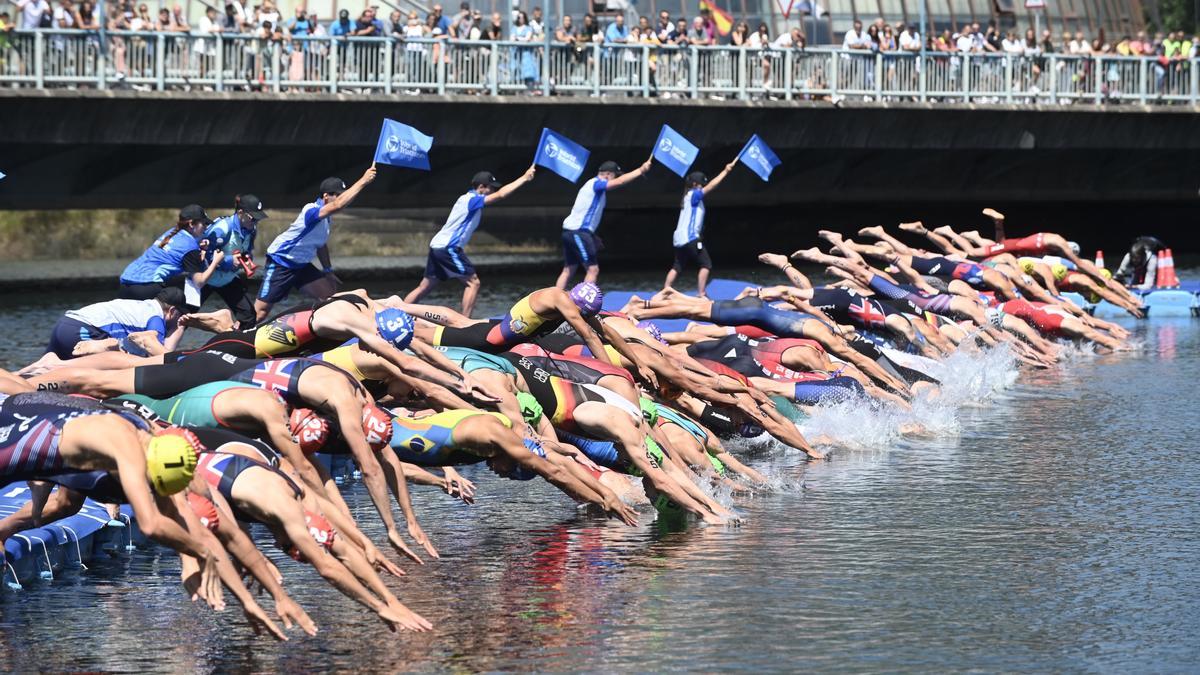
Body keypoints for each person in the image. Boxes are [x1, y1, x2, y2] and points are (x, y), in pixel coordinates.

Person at [403, 167, 536, 317]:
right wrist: (524, 178)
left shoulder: (466, 199)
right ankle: (464, 323)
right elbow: (501, 195)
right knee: (473, 283)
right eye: (491, 188)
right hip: (449, 248)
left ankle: (398, 311)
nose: (492, 191)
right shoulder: (472, 200)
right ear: (481, 187)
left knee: (425, 286)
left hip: (437, 246)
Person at [255, 167, 376, 321]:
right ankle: (234, 334)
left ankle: (322, 331)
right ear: (326, 196)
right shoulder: (311, 211)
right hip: (281, 263)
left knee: (329, 297)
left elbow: (320, 244)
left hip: (301, 265)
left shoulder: (327, 218)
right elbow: (338, 205)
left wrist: (328, 271)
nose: (343, 199)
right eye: (339, 195)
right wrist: (364, 181)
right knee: (261, 313)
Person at [555, 156, 653, 289]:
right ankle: (584, 305)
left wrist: (593, 236)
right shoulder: (596, 183)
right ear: (607, 175)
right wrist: (641, 170)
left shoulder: (591, 186)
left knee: (568, 269)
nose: (616, 178)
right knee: (592, 270)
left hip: (570, 233)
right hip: (579, 232)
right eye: (615, 176)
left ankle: (553, 302)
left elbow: (584, 213)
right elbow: (619, 182)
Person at [43, 287, 188, 361]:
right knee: (113, 365)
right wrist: (178, 331)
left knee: (40, 370)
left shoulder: (142, 306)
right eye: (179, 316)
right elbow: (158, 358)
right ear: (172, 311)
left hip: (64, 323)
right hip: (83, 329)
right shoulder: (156, 318)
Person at [119, 204, 223, 304]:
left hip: (125, 285)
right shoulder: (190, 247)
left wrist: (200, 248)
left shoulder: (171, 232)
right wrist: (215, 262)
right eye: (204, 223)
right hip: (146, 288)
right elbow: (199, 282)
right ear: (191, 224)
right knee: (181, 304)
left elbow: (179, 249)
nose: (206, 227)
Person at [663, 160, 738, 297]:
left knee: (677, 266)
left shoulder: (686, 196)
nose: (703, 187)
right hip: (690, 238)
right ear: (695, 185)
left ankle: (665, 290)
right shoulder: (694, 195)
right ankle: (701, 293)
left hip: (679, 239)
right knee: (706, 264)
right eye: (702, 185)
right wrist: (726, 171)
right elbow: (711, 187)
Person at [202, 194, 268, 328]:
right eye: (252, 218)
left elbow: (246, 250)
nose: (255, 222)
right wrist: (228, 261)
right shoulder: (222, 228)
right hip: (203, 279)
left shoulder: (251, 230)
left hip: (227, 279)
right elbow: (203, 255)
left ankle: (236, 343)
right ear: (240, 213)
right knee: (181, 315)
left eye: (258, 219)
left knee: (249, 317)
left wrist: (247, 259)